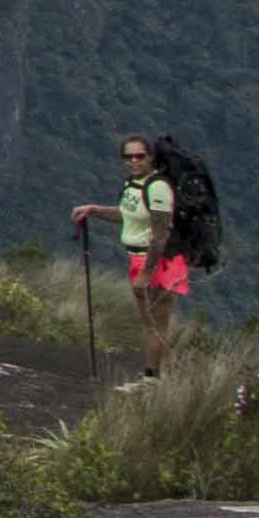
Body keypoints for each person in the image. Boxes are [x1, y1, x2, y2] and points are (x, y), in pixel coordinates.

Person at [72, 134, 194, 373]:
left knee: (155, 325)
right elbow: (127, 216)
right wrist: (95, 210)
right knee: (150, 325)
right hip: (139, 259)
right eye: (128, 156)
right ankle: (161, 377)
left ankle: (151, 379)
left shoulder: (157, 187)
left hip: (159, 263)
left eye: (140, 156)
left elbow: (161, 236)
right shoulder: (133, 184)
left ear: (151, 157)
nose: (133, 161)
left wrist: (146, 274)